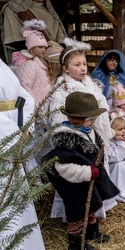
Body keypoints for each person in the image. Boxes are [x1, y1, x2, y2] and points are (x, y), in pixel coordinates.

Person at [42, 91, 119, 250]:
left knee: (92, 207)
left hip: (89, 182)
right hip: (75, 186)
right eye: (91, 120)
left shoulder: (87, 131)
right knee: (78, 215)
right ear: (76, 120)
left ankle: (91, 233)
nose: (94, 122)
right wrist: (87, 172)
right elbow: (63, 168)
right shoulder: (66, 140)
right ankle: (77, 244)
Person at [0, 58, 45, 250]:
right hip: (5, 137)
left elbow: (22, 97)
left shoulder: (2, 66)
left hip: (13, 138)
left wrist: (24, 126)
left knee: (16, 195)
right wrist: (11, 133)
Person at [0, 0, 67, 64]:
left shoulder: (54, 10)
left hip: (55, 63)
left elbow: (62, 42)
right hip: (30, 63)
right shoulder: (13, 8)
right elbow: (16, 42)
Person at [91, 49, 125, 120]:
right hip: (108, 102)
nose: (114, 63)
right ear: (105, 61)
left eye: (116, 61)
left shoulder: (120, 74)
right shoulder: (99, 74)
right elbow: (99, 92)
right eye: (111, 60)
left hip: (122, 102)